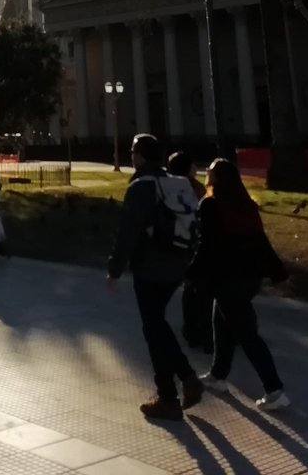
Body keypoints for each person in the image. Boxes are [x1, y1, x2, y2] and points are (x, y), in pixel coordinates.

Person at [107, 133, 202, 422]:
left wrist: (114, 269)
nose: (130, 156)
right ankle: (179, 384)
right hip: (178, 263)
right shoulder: (174, 182)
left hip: (151, 266)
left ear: (139, 156)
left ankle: (173, 392)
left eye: (132, 151)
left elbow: (128, 232)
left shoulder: (141, 186)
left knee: (154, 327)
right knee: (155, 324)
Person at [187, 158, 289, 410]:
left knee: (247, 335)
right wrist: (277, 271)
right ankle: (218, 375)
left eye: (209, 169)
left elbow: (207, 246)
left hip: (229, 277)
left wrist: (191, 272)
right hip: (250, 277)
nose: (206, 171)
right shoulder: (246, 205)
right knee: (220, 319)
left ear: (218, 178)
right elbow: (260, 240)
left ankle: (275, 391)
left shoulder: (211, 205)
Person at [167, 151, 212, 354]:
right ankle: (203, 331)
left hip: (178, 245)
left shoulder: (166, 187)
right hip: (197, 243)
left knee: (190, 289)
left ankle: (191, 330)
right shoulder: (195, 187)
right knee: (201, 290)